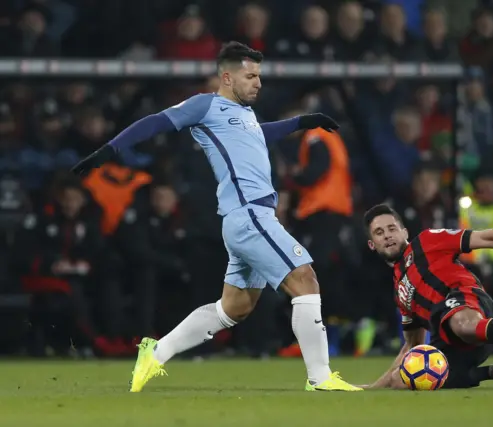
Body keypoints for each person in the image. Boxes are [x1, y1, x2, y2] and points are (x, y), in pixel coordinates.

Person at [71, 41, 361, 392]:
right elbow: (156, 122)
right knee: (305, 279)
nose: (258, 83)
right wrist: (109, 149)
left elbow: (258, 133)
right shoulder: (206, 105)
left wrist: (301, 122)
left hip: (247, 219)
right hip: (251, 215)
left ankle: (155, 353)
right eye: (250, 76)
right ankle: (321, 378)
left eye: (259, 76)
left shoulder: (245, 115)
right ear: (226, 77)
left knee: (234, 309)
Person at [361, 204, 493, 390]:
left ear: (404, 232)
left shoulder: (428, 241)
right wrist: (375, 386)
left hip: (467, 302)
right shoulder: (400, 291)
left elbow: (484, 237)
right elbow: (412, 347)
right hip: (452, 342)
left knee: (460, 322)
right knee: (403, 379)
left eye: (392, 228)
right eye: (379, 233)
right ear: (372, 245)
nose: (387, 235)